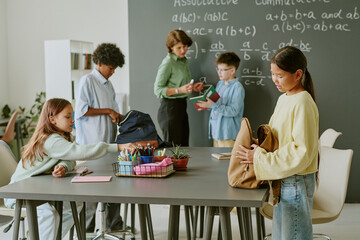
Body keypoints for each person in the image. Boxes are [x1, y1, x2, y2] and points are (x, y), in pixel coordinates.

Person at [4, 98, 134, 240]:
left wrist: (63, 166)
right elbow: (78, 151)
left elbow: (70, 159)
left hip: (36, 190)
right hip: (18, 194)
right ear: (52, 119)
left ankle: (46, 235)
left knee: (75, 205)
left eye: (72, 116)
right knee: (49, 214)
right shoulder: (50, 140)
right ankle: (42, 236)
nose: (72, 120)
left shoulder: (62, 138)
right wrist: (117, 146)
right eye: (67, 117)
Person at [236, 46, 319, 239]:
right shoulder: (285, 98)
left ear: (298, 74)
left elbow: (301, 151)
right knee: (283, 235)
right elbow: (278, 137)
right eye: (272, 74)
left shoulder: (302, 102)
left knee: (293, 235)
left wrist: (259, 156)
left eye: (280, 75)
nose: (275, 80)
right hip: (285, 178)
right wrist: (259, 147)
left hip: (295, 180)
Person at [75, 43, 126, 233]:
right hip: (91, 147)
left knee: (114, 187)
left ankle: (115, 227)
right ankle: (86, 232)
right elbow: (81, 111)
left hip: (108, 145)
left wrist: (118, 116)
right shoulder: (87, 81)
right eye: (111, 67)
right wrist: (108, 111)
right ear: (100, 63)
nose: (113, 72)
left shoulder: (108, 84)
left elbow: (112, 111)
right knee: (91, 193)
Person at [154, 29, 204, 146]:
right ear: (171, 47)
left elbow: (180, 84)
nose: (183, 50)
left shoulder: (183, 61)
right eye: (179, 48)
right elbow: (158, 90)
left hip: (182, 106)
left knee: (183, 147)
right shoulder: (168, 63)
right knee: (173, 149)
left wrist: (193, 88)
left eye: (185, 46)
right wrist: (179, 90)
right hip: (169, 108)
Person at [196, 52, 245, 147]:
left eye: (222, 70)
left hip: (228, 134)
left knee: (226, 161)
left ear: (232, 70)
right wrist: (206, 105)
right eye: (218, 69)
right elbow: (215, 105)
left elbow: (234, 111)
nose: (219, 72)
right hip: (216, 133)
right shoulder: (220, 84)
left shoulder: (237, 88)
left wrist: (212, 105)